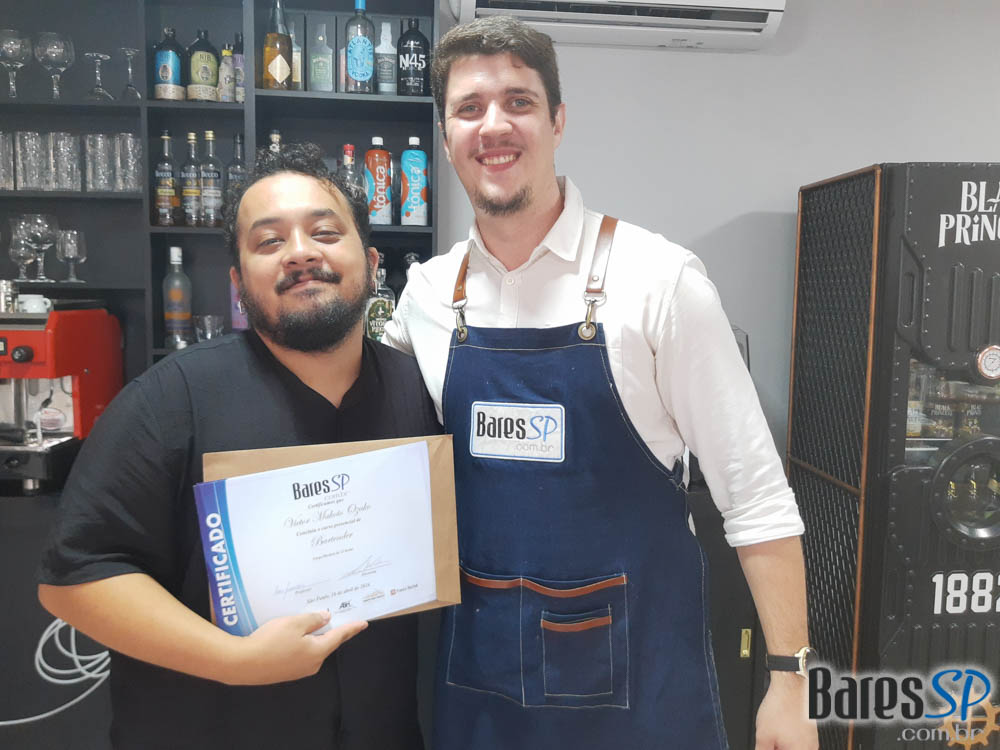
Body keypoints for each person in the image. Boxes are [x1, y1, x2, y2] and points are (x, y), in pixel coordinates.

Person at [382, 16, 819, 750]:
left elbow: (756, 496)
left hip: (638, 695)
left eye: (519, 101)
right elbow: (373, 448)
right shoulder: (425, 297)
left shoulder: (658, 283)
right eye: (469, 108)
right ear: (447, 135)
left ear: (557, 120)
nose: (494, 126)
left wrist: (791, 680)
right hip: (483, 690)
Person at [37, 143, 438, 750]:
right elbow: (74, 578)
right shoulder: (170, 400)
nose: (300, 252)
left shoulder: (416, 390)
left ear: (373, 260)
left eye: (325, 232)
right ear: (238, 282)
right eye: (269, 241)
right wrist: (234, 661)